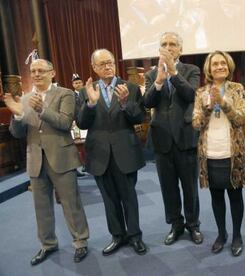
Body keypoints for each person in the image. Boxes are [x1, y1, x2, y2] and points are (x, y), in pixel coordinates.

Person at [4, 59, 89, 265]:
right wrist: (17, 116)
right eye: (33, 71)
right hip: (35, 159)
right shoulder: (24, 99)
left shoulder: (65, 94)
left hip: (61, 158)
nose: (36, 74)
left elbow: (65, 122)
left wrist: (43, 109)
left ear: (52, 73)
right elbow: (17, 133)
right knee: (41, 207)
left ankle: (80, 242)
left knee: (71, 204)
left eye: (41, 70)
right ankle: (48, 244)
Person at [76, 49, 147, 256]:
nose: (108, 66)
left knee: (129, 197)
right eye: (103, 64)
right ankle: (117, 236)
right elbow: (81, 122)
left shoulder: (131, 88)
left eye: (110, 62)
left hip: (125, 152)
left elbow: (139, 118)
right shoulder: (85, 92)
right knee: (109, 199)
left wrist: (125, 104)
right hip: (99, 154)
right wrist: (90, 103)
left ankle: (135, 236)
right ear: (94, 68)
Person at [144, 32, 203, 245]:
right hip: (161, 139)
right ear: (158, 48)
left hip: (185, 137)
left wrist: (174, 72)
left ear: (181, 49)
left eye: (173, 44)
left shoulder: (192, 70)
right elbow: (148, 102)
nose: (168, 47)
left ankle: (193, 224)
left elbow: (190, 95)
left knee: (189, 186)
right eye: (164, 44)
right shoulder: (152, 74)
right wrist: (159, 82)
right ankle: (175, 224)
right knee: (168, 187)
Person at [193, 51, 245, 256]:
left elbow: (241, 119)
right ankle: (222, 234)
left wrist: (223, 102)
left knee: (235, 195)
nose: (219, 67)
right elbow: (196, 124)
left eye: (223, 63)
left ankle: (237, 235)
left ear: (229, 66)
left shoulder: (237, 89)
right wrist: (208, 107)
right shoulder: (200, 92)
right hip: (210, 153)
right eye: (215, 64)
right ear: (209, 68)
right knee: (216, 196)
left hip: (233, 152)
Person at [71, 73, 86, 177]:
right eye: (76, 83)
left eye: (80, 82)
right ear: (73, 84)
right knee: (77, 146)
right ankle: (81, 164)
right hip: (75, 123)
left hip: (87, 122)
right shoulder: (70, 95)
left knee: (88, 144)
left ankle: (88, 164)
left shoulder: (87, 92)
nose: (78, 84)